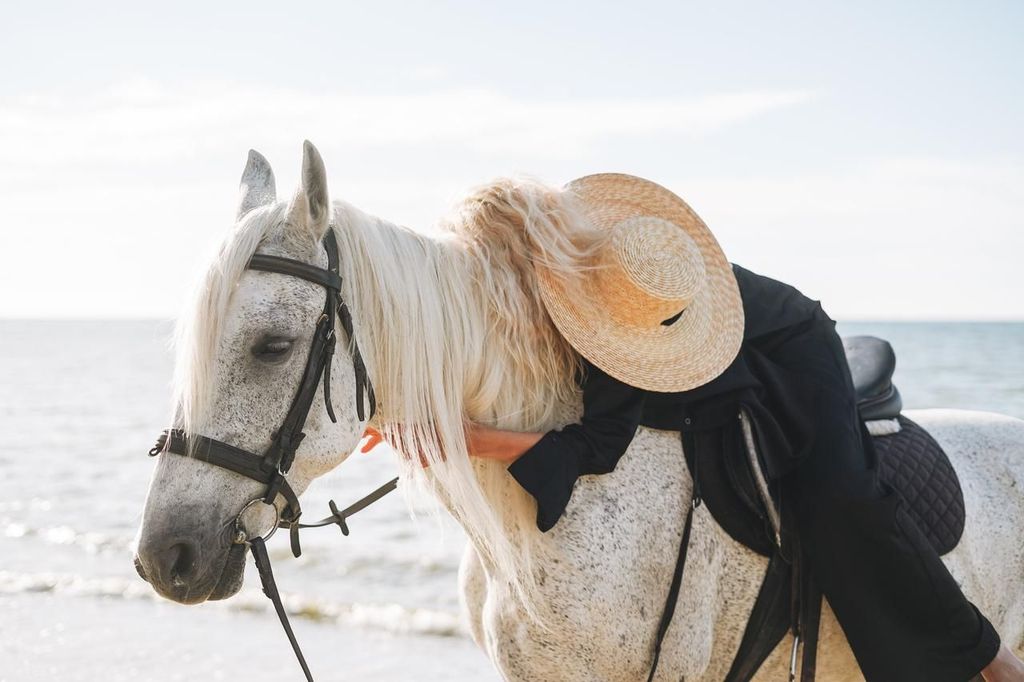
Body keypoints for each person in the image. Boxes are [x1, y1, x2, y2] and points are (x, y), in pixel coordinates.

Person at [465, 174, 1023, 682]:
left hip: (793, 346)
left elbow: (600, 446)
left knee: (840, 500)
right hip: (698, 343)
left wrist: (476, 442)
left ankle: (983, 656)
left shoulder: (618, 296)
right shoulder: (564, 280)